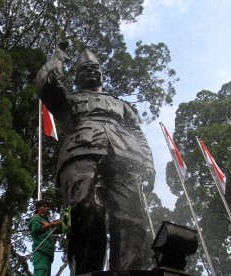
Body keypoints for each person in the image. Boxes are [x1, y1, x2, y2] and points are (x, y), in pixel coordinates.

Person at [35, 47, 156, 275]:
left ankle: (131, 269)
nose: (90, 73)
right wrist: (58, 58)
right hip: (80, 151)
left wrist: (147, 163)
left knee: (131, 214)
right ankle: (85, 270)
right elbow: (46, 85)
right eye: (84, 70)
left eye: (94, 69)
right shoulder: (68, 101)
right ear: (76, 76)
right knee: (87, 210)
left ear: (102, 73)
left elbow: (138, 133)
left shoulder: (121, 105)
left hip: (125, 154)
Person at [28, 199, 65, 276]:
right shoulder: (36, 218)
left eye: (48, 207)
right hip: (41, 249)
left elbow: (58, 230)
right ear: (38, 208)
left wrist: (62, 223)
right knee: (41, 272)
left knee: (46, 273)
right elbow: (36, 230)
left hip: (48, 252)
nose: (47, 208)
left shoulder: (46, 221)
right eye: (44, 206)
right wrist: (53, 224)